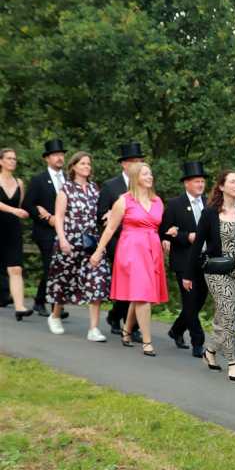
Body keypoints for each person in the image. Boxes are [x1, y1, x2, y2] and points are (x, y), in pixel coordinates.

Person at [90, 162, 168, 356]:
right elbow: (110, 228)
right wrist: (98, 251)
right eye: (145, 174)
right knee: (143, 295)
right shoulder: (124, 201)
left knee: (140, 293)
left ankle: (126, 331)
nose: (150, 177)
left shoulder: (158, 201)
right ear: (135, 178)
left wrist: (168, 236)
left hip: (152, 250)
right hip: (131, 249)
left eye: (150, 173)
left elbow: (161, 226)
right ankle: (147, 342)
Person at [185, 170, 235, 383]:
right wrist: (188, 274)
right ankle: (232, 362)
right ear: (221, 186)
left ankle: (211, 350)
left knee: (232, 318)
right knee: (229, 314)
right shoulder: (210, 213)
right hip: (217, 271)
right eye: (232, 181)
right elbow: (197, 245)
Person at [46, 151, 110, 341]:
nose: (86, 167)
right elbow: (59, 217)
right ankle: (55, 315)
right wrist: (62, 239)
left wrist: (108, 214)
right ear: (73, 166)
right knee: (64, 281)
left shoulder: (94, 188)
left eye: (88, 164)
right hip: (69, 240)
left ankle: (93, 329)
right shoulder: (66, 189)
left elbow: (98, 213)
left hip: (91, 242)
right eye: (82, 163)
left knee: (97, 279)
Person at [160, 161, 209, 358]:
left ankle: (177, 329)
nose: (200, 184)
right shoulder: (175, 204)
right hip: (183, 260)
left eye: (202, 181)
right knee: (189, 300)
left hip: (205, 260)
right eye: (197, 181)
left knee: (199, 300)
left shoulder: (209, 202)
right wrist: (186, 236)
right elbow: (164, 232)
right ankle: (198, 342)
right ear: (186, 183)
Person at [97, 142, 145, 340]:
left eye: (139, 161)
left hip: (140, 242)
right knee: (129, 282)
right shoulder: (111, 186)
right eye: (133, 161)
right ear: (124, 164)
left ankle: (116, 315)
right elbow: (101, 215)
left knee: (135, 283)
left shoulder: (144, 184)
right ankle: (131, 327)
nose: (137, 164)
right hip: (118, 241)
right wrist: (110, 215)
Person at [23, 139, 69, 318]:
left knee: (60, 266)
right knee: (51, 265)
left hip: (66, 230)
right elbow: (28, 204)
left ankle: (40, 300)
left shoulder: (69, 179)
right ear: (47, 159)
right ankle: (55, 307)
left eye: (61, 154)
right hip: (45, 231)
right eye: (55, 155)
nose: (59, 158)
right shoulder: (39, 180)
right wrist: (47, 218)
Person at [0, 147, 32, 320]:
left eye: (14, 159)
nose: (13, 161)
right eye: (9, 158)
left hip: (13, 228)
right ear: (1, 161)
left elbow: (21, 205)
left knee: (16, 268)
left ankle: (19, 307)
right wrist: (14, 210)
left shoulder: (19, 182)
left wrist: (23, 212)